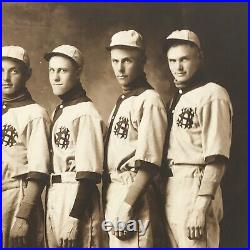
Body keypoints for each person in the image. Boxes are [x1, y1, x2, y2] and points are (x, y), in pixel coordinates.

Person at [163, 29, 233, 247]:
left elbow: (217, 156)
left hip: (196, 185)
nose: (178, 67)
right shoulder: (178, 98)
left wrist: (200, 207)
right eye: (172, 60)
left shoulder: (213, 94)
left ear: (200, 57)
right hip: (172, 186)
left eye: (184, 59)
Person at [103, 30, 168, 247]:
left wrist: (127, 204)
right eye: (115, 61)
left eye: (127, 60)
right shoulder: (123, 101)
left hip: (133, 192)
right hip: (116, 188)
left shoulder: (149, 100)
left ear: (142, 61)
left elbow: (150, 162)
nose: (119, 68)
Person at [44, 45, 105, 247]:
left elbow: (88, 173)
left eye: (62, 70)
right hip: (57, 192)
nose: (55, 77)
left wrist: (74, 217)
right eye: (52, 70)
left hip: (76, 196)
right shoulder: (61, 110)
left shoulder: (85, 112)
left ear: (78, 73)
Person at [2, 46, 51, 247]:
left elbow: (39, 170)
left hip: (18, 196)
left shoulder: (35, 114)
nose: (5, 78)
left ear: (27, 75)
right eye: (1, 70)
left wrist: (23, 216)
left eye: (14, 71)